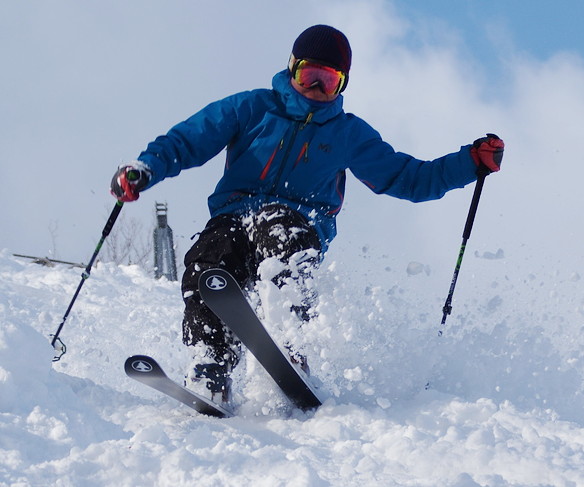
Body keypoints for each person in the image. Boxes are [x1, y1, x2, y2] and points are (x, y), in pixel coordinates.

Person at [110, 24, 504, 405]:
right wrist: (146, 168)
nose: (316, 89)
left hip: (298, 223)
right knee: (208, 261)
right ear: (292, 68)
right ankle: (210, 367)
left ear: (342, 85)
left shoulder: (348, 134)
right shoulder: (251, 107)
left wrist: (469, 163)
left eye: (328, 81)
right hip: (234, 214)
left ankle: (288, 344)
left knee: (279, 228)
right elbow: (189, 139)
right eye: (309, 75)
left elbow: (409, 179)